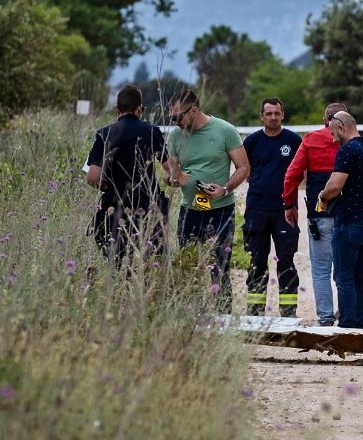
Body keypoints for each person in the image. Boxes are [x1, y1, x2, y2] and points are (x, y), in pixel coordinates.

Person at [164, 89, 250, 311]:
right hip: (189, 211)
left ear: (194, 110)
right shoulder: (175, 136)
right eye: (171, 118)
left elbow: (243, 167)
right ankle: (189, 317)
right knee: (187, 266)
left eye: (178, 117)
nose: (175, 123)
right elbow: (171, 174)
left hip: (220, 210)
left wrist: (225, 188)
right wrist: (173, 180)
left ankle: (223, 316)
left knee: (220, 267)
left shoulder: (225, 130)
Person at [85, 84, 170, 266]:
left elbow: (92, 177)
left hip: (114, 209)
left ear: (117, 110)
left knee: (117, 265)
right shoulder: (152, 131)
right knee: (150, 264)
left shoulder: (103, 134)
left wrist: (109, 187)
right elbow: (171, 168)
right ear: (140, 109)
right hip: (148, 209)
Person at [282, 102, 346, 326]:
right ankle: (346, 314)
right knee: (344, 269)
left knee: (320, 270)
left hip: (318, 216)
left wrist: (289, 205)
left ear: (324, 119)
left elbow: (292, 175)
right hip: (347, 217)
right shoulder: (354, 141)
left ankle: (325, 317)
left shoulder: (310, 140)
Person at [317, 111, 363, 329]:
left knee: (344, 278)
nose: (333, 138)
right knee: (361, 278)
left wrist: (322, 197)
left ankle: (347, 327)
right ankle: (359, 327)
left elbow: (335, 186)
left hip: (349, 224)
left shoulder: (348, 150)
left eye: (333, 133)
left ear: (342, 127)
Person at [243, 98, 302, 317]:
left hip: (285, 211)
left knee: (286, 261)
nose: (273, 117)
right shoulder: (252, 142)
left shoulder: (294, 141)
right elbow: (245, 170)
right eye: (269, 114)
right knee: (257, 261)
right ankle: (255, 312)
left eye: (277, 113)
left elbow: (301, 172)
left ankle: (288, 312)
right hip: (256, 210)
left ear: (283, 115)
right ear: (262, 116)